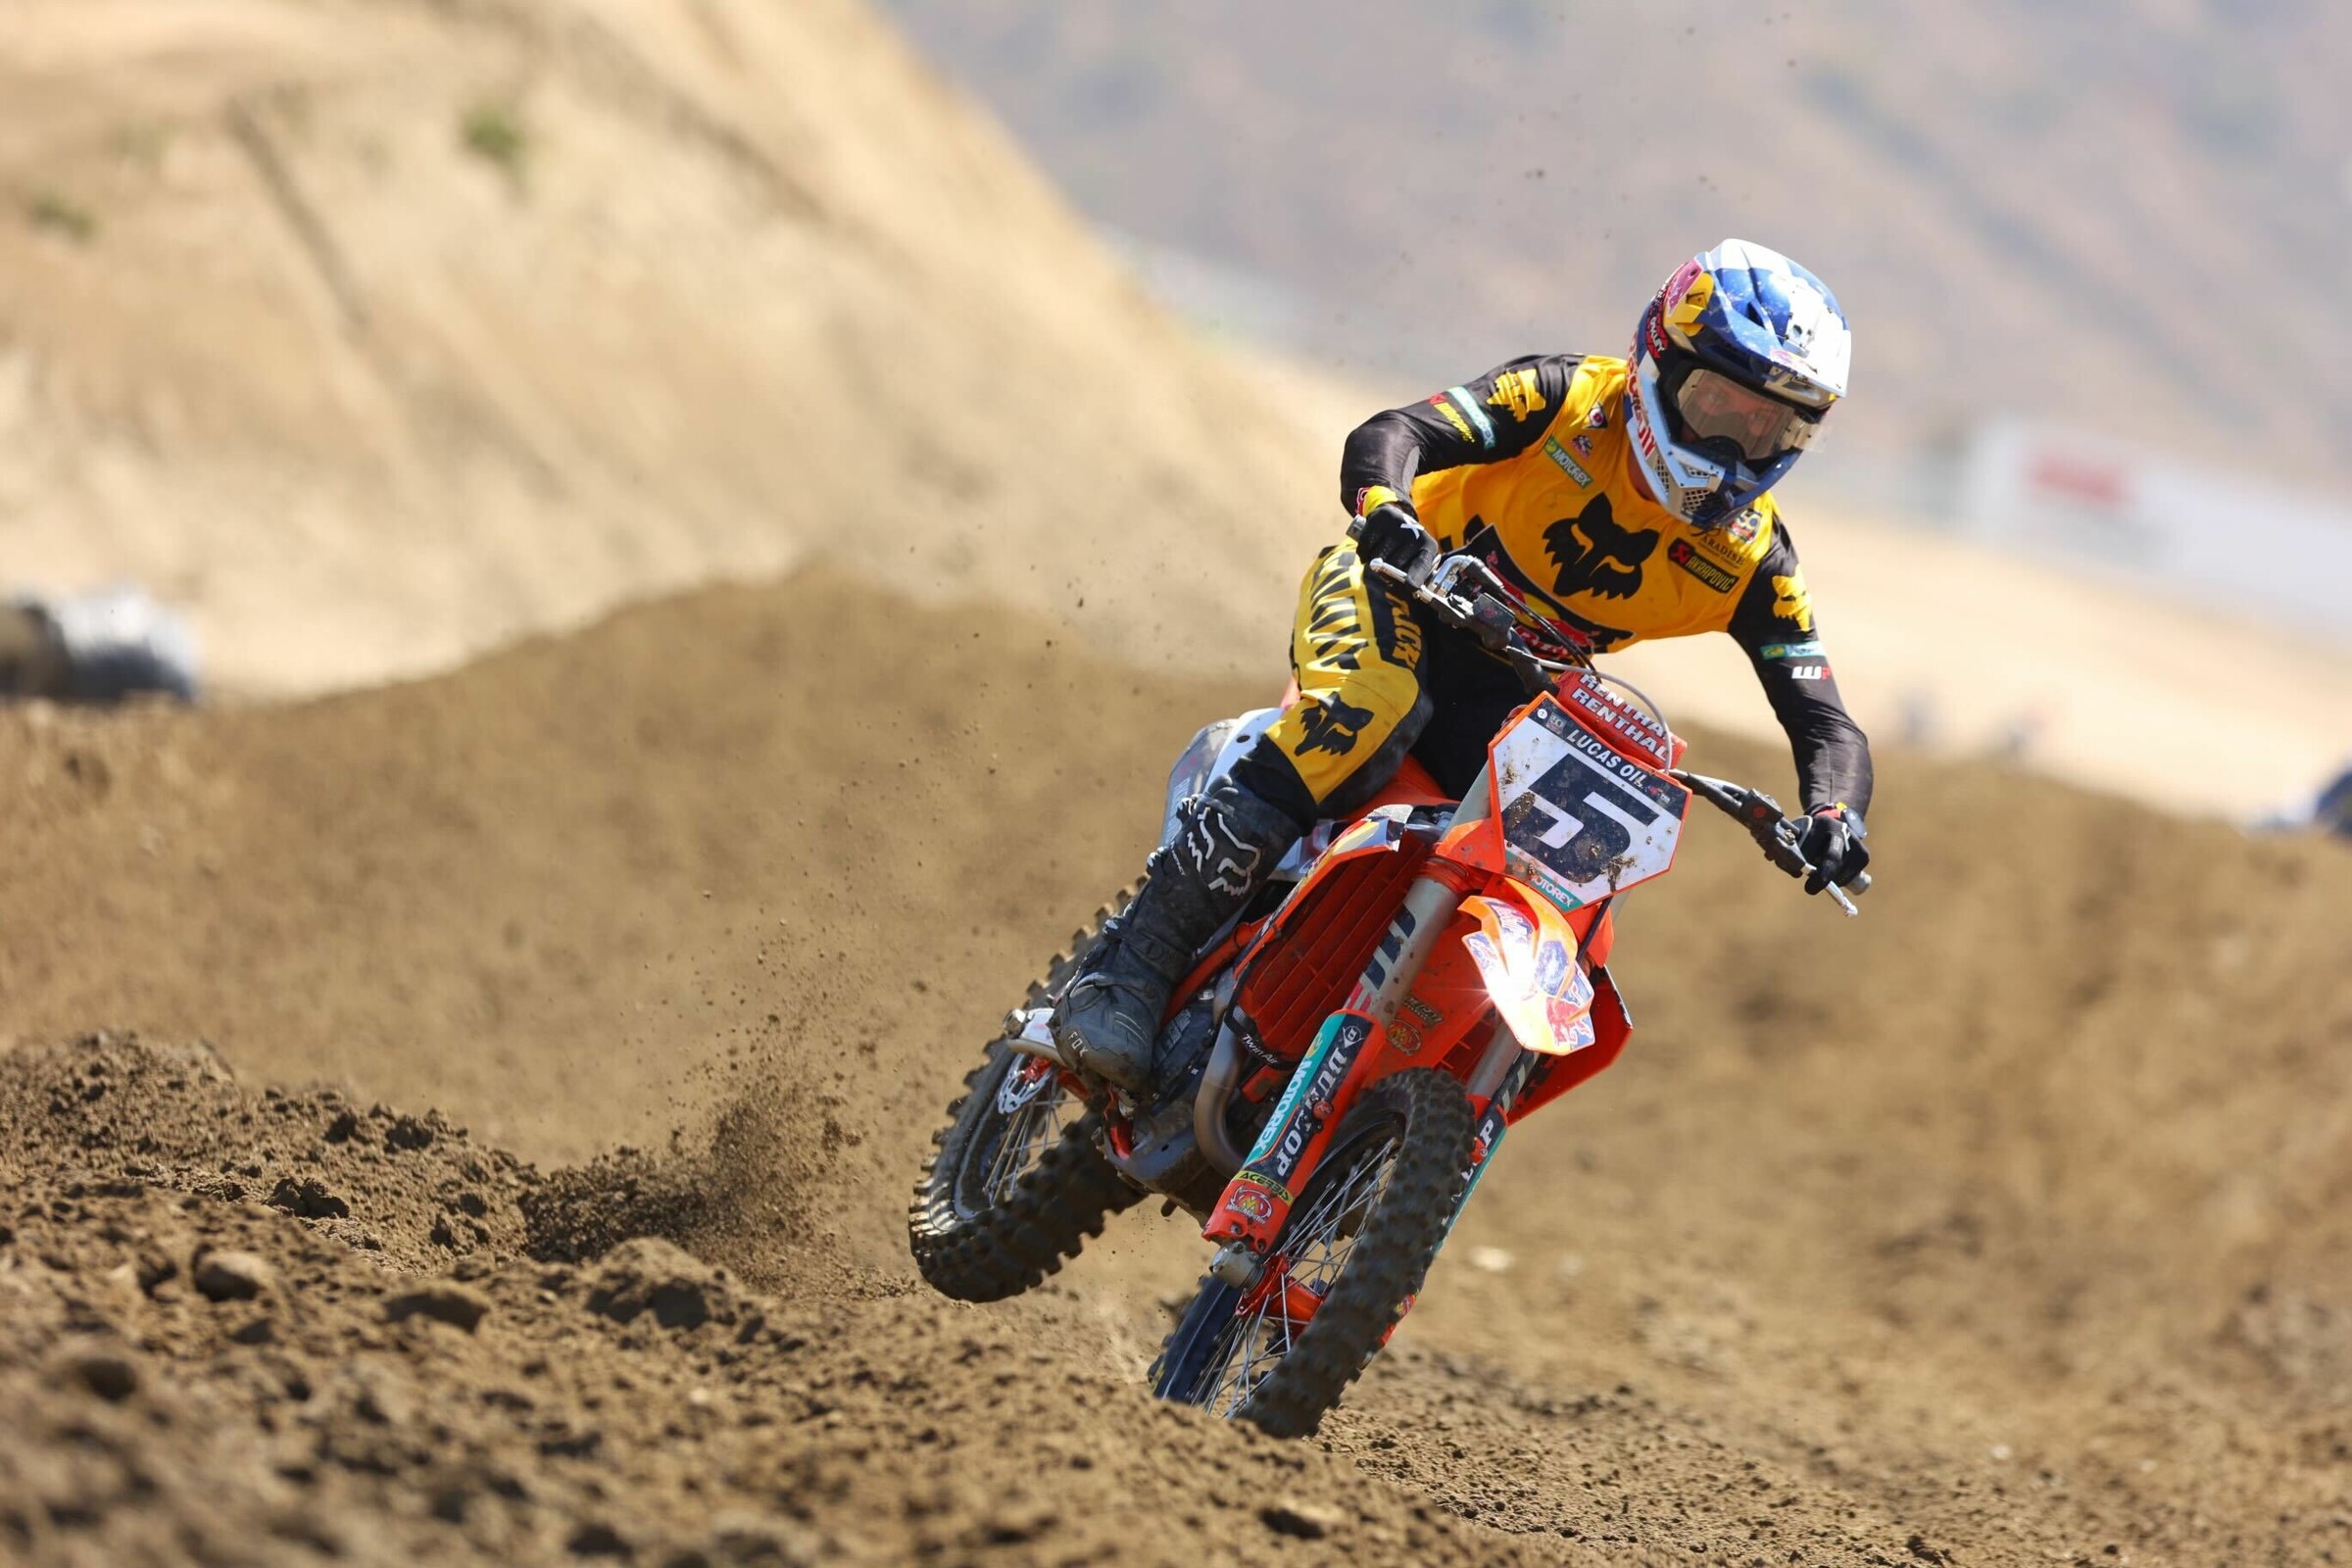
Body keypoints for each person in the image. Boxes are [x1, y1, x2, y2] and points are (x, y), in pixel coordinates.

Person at [1055, 239, 1875, 1093]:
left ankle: (1367, 1068)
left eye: (1769, 427)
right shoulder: (1565, 399)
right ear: (1660, 365)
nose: (1738, 442)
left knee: (1565, 859)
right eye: (1720, 404)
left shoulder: (1752, 557)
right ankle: (1129, 970)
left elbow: (1822, 717)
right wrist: (1387, 511)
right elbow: (1395, 433)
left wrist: (1836, 814)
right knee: (1373, 706)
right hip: (1395, 592)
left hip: (1516, 687)